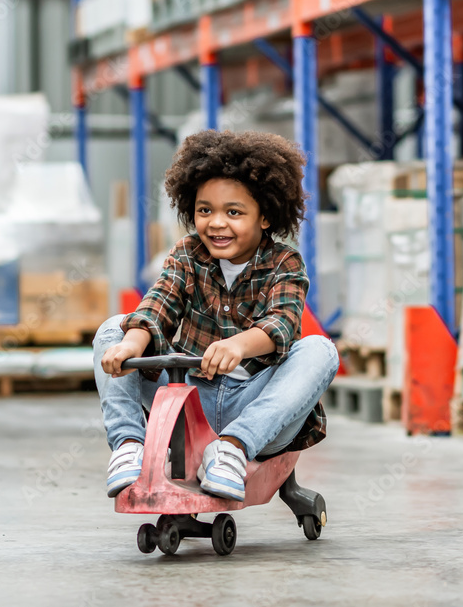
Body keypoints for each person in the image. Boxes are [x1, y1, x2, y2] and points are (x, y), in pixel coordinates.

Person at [93, 130, 339, 502]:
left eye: (234, 212)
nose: (216, 223)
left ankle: (232, 449)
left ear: (266, 217)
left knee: (321, 349)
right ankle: (129, 445)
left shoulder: (285, 263)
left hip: (258, 408)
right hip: (188, 403)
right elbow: (159, 303)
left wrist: (239, 345)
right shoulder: (187, 255)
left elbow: (283, 324)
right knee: (114, 327)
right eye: (205, 210)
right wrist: (131, 344)